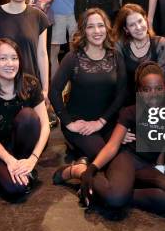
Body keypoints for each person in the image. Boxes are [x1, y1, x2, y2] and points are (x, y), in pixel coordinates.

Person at [53, 62, 165, 215]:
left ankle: (120, 193)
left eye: (159, 89)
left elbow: (163, 143)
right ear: (139, 92)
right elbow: (112, 145)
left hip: (145, 165)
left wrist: (159, 168)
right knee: (115, 198)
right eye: (146, 90)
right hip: (126, 158)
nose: (153, 94)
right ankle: (79, 171)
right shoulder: (130, 112)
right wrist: (92, 169)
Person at [0, 38, 50, 199]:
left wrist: (32, 159)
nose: (10, 63)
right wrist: (9, 161)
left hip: (24, 149)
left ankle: (23, 167)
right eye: (3, 58)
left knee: (28, 116)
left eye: (14, 58)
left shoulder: (31, 84)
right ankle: (2, 171)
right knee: (17, 189)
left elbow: (45, 126)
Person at [49, 8, 127, 159]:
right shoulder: (72, 58)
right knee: (104, 157)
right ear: (83, 30)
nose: (97, 31)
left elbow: (121, 94)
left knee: (123, 156)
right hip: (80, 124)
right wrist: (68, 123)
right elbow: (54, 91)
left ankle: (80, 161)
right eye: (90, 26)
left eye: (100, 25)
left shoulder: (115, 56)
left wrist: (101, 122)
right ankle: (70, 167)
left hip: (107, 122)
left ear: (107, 28)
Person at [112, 4, 165, 104]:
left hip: (156, 101)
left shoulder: (160, 43)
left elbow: (161, 79)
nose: (138, 27)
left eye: (140, 21)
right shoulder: (120, 45)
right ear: (126, 29)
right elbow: (121, 81)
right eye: (132, 25)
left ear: (146, 19)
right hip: (128, 102)